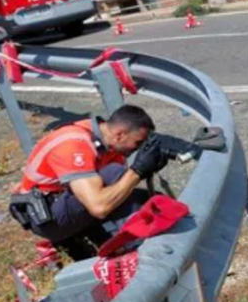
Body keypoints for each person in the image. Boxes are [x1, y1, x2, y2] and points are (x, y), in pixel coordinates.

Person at [11, 105, 168, 260]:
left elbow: (117, 193)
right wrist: (138, 170)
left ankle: (122, 246)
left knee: (142, 198)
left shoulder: (107, 143)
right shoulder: (74, 144)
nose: (137, 149)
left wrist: (148, 169)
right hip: (45, 217)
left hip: (66, 204)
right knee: (115, 173)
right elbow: (99, 207)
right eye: (138, 143)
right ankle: (136, 252)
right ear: (120, 134)